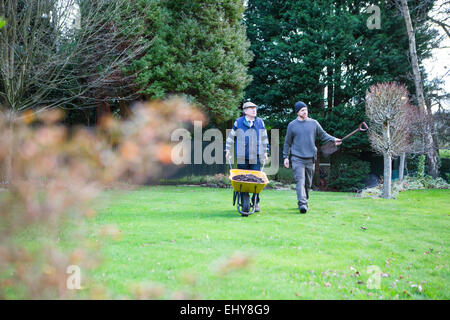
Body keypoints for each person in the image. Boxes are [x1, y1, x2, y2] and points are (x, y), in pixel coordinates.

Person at [283, 101, 342, 214]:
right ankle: (302, 204)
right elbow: (287, 142)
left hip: (310, 158)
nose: (305, 112)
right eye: (302, 110)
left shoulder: (313, 123)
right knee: (300, 180)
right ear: (297, 112)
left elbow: (323, 135)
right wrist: (285, 157)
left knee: (307, 183)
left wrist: (334, 139)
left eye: (306, 110)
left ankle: (304, 199)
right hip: (297, 158)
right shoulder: (292, 125)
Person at [225, 101, 269, 212]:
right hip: (241, 155)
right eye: (251, 108)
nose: (254, 110)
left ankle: (256, 201)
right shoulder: (238, 122)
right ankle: (245, 199)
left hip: (256, 155)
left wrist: (266, 152)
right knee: (242, 180)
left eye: (255, 108)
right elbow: (231, 136)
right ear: (245, 111)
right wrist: (227, 149)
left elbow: (264, 138)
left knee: (256, 181)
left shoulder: (260, 122)